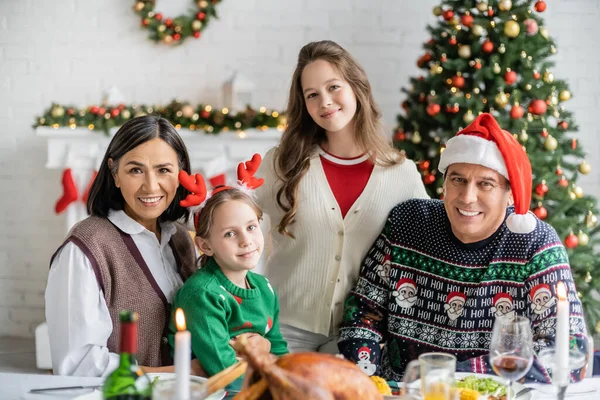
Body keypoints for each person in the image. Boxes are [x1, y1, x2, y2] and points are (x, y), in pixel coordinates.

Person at [338, 113, 588, 383]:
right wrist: (365, 381)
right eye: (458, 179)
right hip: (400, 391)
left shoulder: (535, 245)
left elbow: (567, 351)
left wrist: (452, 379)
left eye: (485, 184)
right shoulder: (406, 223)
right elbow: (363, 313)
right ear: (444, 183)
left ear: (511, 194)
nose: (468, 197)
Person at [255, 40, 429, 353]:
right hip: (283, 332)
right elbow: (233, 217)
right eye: (312, 95)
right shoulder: (282, 164)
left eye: (333, 87)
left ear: (356, 87)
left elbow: (431, 251)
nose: (325, 101)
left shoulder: (401, 173)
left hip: (361, 337)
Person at [45, 115, 200, 376]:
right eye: (135, 170)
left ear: (181, 173)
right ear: (115, 173)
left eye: (163, 170)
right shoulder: (85, 249)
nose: (151, 186)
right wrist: (174, 373)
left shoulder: (182, 238)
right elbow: (77, 364)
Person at [169, 154, 288, 381]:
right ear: (205, 246)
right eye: (230, 234)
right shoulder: (203, 294)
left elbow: (280, 352)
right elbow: (224, 370)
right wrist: (264, 357)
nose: (246, 241)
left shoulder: (264, 288)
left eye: (251, 227)